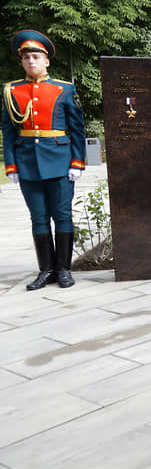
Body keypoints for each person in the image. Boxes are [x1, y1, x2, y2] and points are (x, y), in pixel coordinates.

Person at [1, 29, 86, 290]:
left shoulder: (64, 89)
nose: (31, 61)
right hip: (27, 162)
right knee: (38, 217)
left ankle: (64, 270)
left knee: (61, 215)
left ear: (46, 60)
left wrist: (77, 162)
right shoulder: (11, 91)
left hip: (59, 161)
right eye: (26, 57)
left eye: (36, 56)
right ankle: (46, 269)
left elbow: (77, 129)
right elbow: (8, 130)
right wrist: (11, 164)